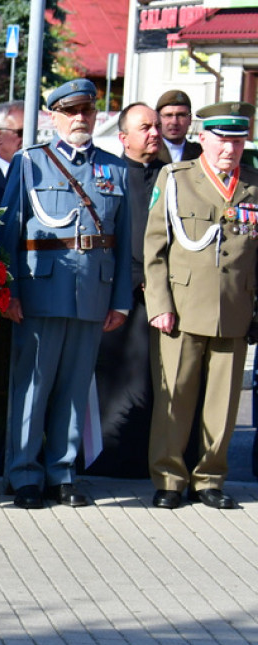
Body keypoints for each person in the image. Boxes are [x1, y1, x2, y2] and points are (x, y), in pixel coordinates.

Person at [0, 78, 132, 509]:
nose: (80, 119)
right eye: (70, 112)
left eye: (87, 111)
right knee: (32, 386)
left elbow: (125, 240)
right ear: (53, 116)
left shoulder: (115, 169)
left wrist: (121, 299)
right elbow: (10, 233)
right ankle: (23, 474)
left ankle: (63, 471)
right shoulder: (30, 163)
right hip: (40, 290)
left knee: (75, 388)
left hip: (92, 292)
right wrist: (11, 291)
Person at [144, 102, 258, 510]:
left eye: (237, 139)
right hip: (183, 306)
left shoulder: (254, 185)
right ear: (202, 138)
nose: (229, 147)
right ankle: (170, 478)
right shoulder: (177, 178)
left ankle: (210, 478)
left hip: (234, 308)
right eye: (221, 138)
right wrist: (159, 303)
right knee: (174, 396)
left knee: (223, 403)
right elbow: (155, 246)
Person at [88, 103, 164, 478]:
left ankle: (144, 459)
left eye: (157, 126)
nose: (154, 133)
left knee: (151, 383)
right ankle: (107, 460)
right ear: (124, 138)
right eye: (145, 127)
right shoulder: (110, 174)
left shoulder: (170, 176)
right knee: (115, 383)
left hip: (161, 300)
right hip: (121, 297)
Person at [155, 90, 202, 165]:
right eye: (168, 115)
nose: (174, 122)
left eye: (181, 115)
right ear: (158, 119)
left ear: (190, 119)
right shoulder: (150, 152)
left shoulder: (201, 154)